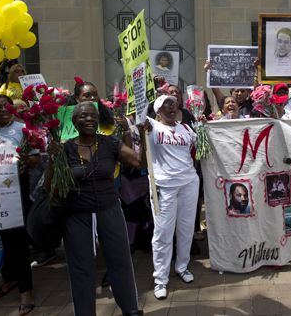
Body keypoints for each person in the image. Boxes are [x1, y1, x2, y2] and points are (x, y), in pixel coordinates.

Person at [45, 102, 148, 316]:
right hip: (77, 214)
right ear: (74, 122)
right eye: (83, 116)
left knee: (120, 260)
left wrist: (144, 138)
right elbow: (50, 189)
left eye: (93, 116)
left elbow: (140, 163)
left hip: (109, 209)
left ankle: (130, 309)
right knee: (81, 267)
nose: (89, 119)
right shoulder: (65, 148)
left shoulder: (110, 143)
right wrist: (51, 160)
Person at [0, 93, 40, 315]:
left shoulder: (22, 129)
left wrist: (26, 159)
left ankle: (26, 290)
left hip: (16, 188)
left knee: (16, 238)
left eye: (7, 105)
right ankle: (11, 278)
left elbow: (35, 157)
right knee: (3, 235)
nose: (4, 109)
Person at [146, 95, 200, 300]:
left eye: (174, 104)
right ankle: (160, 278)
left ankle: (182, 266)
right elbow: (137, 118)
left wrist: (202, 126)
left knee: (186, 228)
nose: (171, 107)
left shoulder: (186, 128)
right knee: (163, 233)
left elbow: (202, 145)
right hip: (164, 187)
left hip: (189, 184)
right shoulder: (151, 126)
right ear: (157, 111)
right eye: (165, 105)